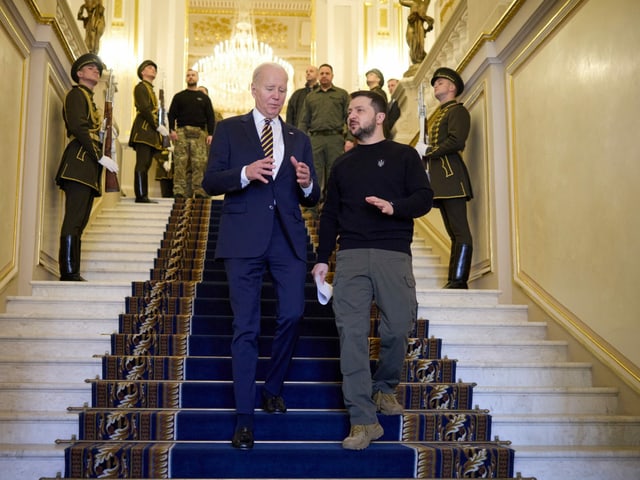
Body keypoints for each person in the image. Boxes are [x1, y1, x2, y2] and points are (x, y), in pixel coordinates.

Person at [202, 62, 320, 450]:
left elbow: (312, 193)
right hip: (242, 240)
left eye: (282, 90)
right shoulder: (228, 129)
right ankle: (245, 418)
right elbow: (209, 182)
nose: (276, 95)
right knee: (246, 327)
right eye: (270, 88)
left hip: (288, 240)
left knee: (293, 314)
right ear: (253, 89)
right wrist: (244, 172)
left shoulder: (298, 137)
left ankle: (273, 386)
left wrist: (307, 184)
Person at [311, 90, 433, 450]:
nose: (352, 116)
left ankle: (384, 388)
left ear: (379, 117)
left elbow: (424, 199)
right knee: (351, 335)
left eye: (359, 110)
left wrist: (393, 207)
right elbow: (329, 213)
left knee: (397, 328)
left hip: (393, 253)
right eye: (349, 111)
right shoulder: (343, 165)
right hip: (349, 256)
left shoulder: (404, 155)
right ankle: (362, 420)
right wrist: (321, 258)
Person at [55, 53, 118, 281]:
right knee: (74, 220)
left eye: (97, 68)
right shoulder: (76, 95)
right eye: (90, 67)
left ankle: (73, 270)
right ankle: (69, 272)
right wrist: (99, 155)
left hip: (87, 165)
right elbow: (79, 128)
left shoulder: (88, 98)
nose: (95, 70)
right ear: (79, 73)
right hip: (80, 161)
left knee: (80, 221)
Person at [420, 67, 473, 288]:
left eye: (440, 82)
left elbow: (456, 141)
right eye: (435, 83)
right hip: (441, 180)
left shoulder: (457, 111)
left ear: (452, 87)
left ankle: (459, 280)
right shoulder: (441, 113)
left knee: (460, 232)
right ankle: (454, 279)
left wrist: (429, 152)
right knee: (453, 232)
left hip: (452, 177)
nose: (435, 85)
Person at [297, 63, 350, 217]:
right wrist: (301, 141)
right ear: (318, 76)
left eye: (327, 73)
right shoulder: (311, 97)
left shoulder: (342, 94)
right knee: (315, 173)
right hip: (315, 139)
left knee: (335, 173)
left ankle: (333, 208)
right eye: (322, 73)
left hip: (336, 138)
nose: (325, 76)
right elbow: (303, 120)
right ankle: (312, 208)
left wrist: (350, 139)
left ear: (332, 76)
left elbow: (349, 117)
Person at [168, 69, 216, 198]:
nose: (190, 77)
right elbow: (171, 114)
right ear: (186, 79)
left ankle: (199, 191)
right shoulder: (179, 96)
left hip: (199, 133)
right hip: (182, 132)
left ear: (197, 78)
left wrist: (211, 134)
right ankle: (179, 191)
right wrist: (171, 130)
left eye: (193, 75)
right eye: (188, 75)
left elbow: (211, 117)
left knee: (199, 164)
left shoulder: (204, 98)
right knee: (180, 163)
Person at [128, 59, 168, 203]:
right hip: (144, 130)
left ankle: (143, 194)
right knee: (142, 163)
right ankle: (140, 195)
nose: (153, 70)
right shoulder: (141, 87)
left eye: (154, 68)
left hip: (150, 133)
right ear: (142, 71)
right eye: (150, 68)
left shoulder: (150, 89)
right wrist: (157, 126)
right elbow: (145, 109)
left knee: (146, 164)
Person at [399, 0, 434, 65]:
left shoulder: (424, 4)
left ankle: (419, 59)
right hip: (411, 27)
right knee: (413, 45)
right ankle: (415, 59)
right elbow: (401, 1)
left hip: (420, 28)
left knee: (420, 46)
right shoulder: (413, 2)